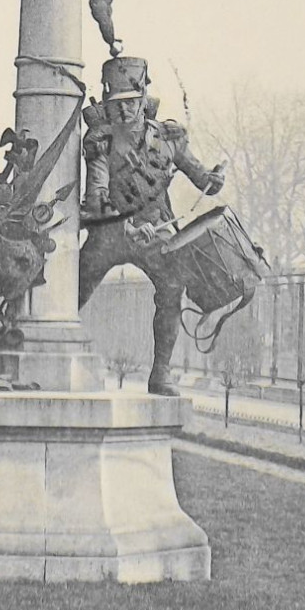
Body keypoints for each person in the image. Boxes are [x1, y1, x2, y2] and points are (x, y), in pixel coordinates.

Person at [79, 54, 225, 395]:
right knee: (74, 291)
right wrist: (126, 226)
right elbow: (97, 195)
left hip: (156, 231)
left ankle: (161, 374)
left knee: (172, 288)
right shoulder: (101, 140)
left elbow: (200, 175)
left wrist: (214, 179)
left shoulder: (168, 138)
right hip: (111, 234)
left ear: (144, 97)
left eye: (131, 102)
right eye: (117, 103)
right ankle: (47, 347)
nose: (125, 110)